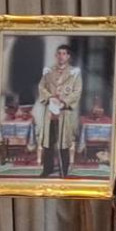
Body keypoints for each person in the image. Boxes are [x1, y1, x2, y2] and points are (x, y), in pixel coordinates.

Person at [35, 44, 82, 178]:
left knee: (63, 142)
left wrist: (64, 102)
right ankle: (47, 169)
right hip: (50, 112)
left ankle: (63, 170)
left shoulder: (74, 73)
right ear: (56, 56)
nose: (61, 56)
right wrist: (50, 97)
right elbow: (41, 87)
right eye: (59, 53)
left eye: (64, 53)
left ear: (68, 56)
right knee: (48, 142)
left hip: (64, 112)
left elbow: (77, 91)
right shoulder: (48, 71)